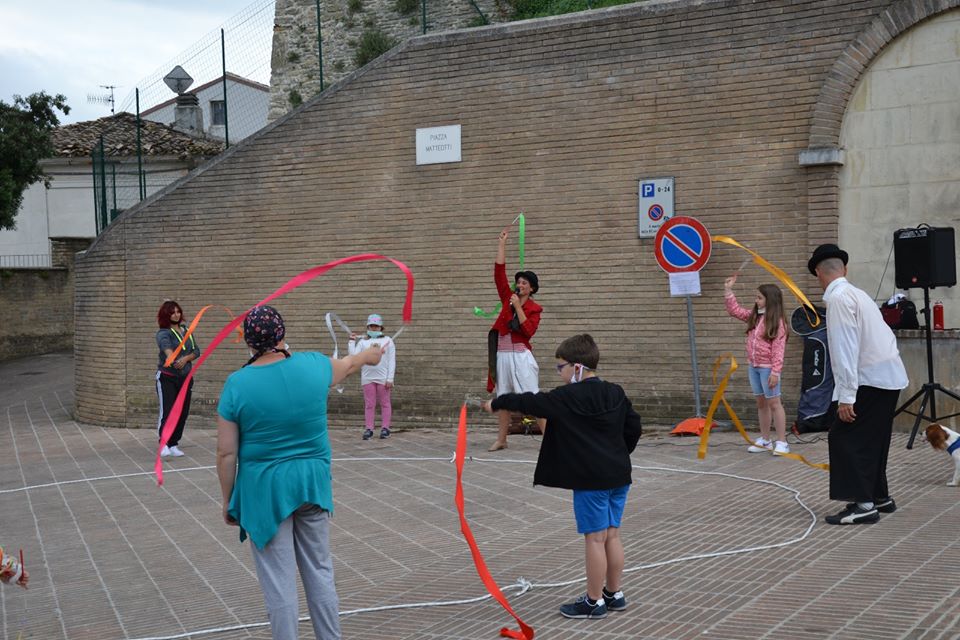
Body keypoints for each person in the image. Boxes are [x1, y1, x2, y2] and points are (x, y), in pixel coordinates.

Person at [216, 305, 383, 640]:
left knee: (280, 583)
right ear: (281, 334)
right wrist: (369, 355)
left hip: (265, 492)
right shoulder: (313, 365)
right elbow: (349, 365)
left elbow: (226, 452)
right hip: (312, 485)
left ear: (248, 342)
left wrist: (228, 500)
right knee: (320, 571)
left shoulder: (237, 384)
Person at [482, 334, 642, 619]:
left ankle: (593, 602)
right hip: (619, 475)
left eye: (561, 368)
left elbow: (530, 402)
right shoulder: (615, 391)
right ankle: (614, 593)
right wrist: (619, 454)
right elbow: (633, 426)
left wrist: (497, 403)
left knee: (595, 538)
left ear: (577, 367)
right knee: (612, 534)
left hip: (590, 480)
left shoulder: (566, 397)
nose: (560, 373)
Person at [808, 244, 908, 525]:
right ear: (845, 269)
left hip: (869, 379)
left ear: (818, 273)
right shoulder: (858, 294)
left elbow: (845, 350)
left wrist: (846, 397)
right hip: (888, 376)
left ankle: (863, 505)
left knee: (845, 438)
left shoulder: (839, 299)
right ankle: (878, 496)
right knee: (873, 439)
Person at [487, 226, 543, 451]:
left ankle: (550, 439)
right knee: (503, 399)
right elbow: (499, 273)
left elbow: (528, 331)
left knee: (532, 399)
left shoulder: (534, 308)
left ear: (532, 289)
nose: (520, 285)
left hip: (521, 355)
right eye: (518, 282)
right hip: (503, 354)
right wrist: (501, 244)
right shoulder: (506, 299)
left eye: (524, 283)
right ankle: (502, 439)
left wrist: (518, 307)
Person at [723, 275, 790, 455]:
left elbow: (778, 349)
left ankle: (782, 441)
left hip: (768, 368)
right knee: (761, 403)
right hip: (754, 366)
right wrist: (729, 290)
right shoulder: (754, 317)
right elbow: (735, 311)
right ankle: (765, 440)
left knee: (774, 403)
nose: (756, 300)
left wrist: (775, 372)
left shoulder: (777, 322)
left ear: (770, 300)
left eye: (759, 297)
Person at [156, 300, 201, 457]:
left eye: (178, 311)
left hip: (185, 378)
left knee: (182, 412)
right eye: (172, 312)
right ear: (166, 315)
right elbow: (165, 347)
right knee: (167, 412)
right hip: (167, 378)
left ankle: (173, 443)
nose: (176, 314)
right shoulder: (164, 332)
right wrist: (173, 358)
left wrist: (186, 359)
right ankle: (163, 443)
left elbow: (196, 350)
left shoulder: (186, 330)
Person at [348, 313, 396, 440]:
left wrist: (390, 378)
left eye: (376, 326)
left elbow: (392, 360)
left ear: (381, 327)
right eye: (371, 326)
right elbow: (354, 357)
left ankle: (385, 428)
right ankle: (369, 428)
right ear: (368, 327)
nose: (374, 329)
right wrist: (351, 341)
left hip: (383, 378)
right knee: (369, 404)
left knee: (385, 403)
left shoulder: (388, 341)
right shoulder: (363, 342)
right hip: (367, 378)